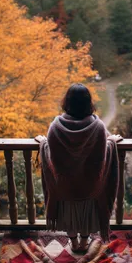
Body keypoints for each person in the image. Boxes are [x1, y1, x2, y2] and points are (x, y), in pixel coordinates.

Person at [35, 83, 122, 252]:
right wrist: (112, 142)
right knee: (86, 218)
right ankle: (84, 242)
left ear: (67, 102)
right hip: (89, 187)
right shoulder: (98, 127)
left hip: (66, 187)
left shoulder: (55, 127)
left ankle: (73, 243)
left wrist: (43, 143)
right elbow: (104, 155)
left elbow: (50, 156)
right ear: (89, 103)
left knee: (70, 218)